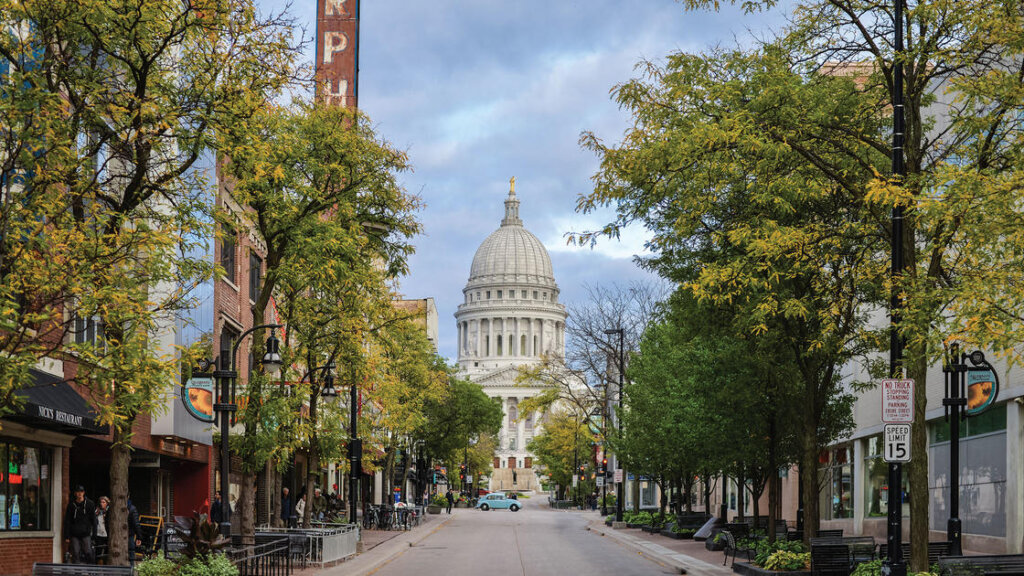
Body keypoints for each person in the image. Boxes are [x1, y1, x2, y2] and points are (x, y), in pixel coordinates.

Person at [63, 485, 96, 563]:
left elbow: (94, 520)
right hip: (74, 533)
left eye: (81, 492)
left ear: (84, 493)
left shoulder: (90, 504)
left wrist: (94, 534)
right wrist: (66, 536)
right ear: (75, 493)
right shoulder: (71, 505)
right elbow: (67, 521)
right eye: (78, 492)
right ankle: (77, 571)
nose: (79, 493)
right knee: (75, 552)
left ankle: (90, 569)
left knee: (88, 552)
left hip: (86, 533)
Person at [127, 496, 142, 568]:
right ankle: (131, 570)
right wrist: (139, 537)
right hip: (129, 534)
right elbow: (136, 523)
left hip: (117, 537)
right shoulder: (132, 508)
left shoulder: (114, 507)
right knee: (131, 554)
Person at [94, 496, 110, 562]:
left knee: (107, 552)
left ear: (107, 503)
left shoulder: (109, 511)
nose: (101, 504)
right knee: (98, 552)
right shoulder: (97, 511)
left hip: (107, 534)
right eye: (101, 502)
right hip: (99, 533)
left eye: (103, 502)